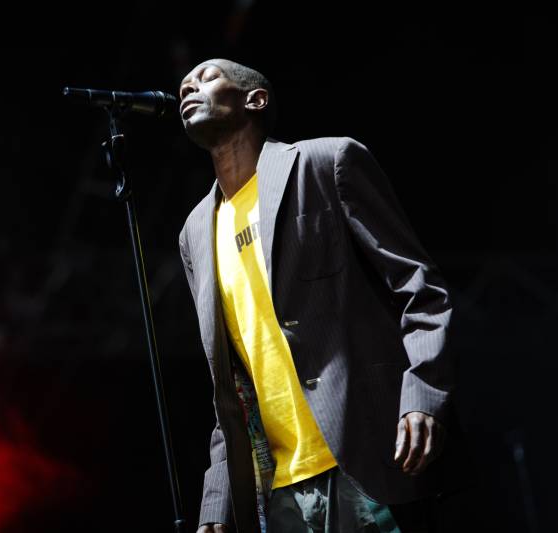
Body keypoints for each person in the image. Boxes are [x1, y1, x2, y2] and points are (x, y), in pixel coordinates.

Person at [177, 58, 463, 533]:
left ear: (255, 98)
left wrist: (423, 397)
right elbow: (230, 383)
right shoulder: (194, 232)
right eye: (184, 86)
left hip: (367, 464)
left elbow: (422, 289)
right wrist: (219, 499)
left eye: (206, 78)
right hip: (279, 493)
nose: (189, 88)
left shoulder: (327, 163)